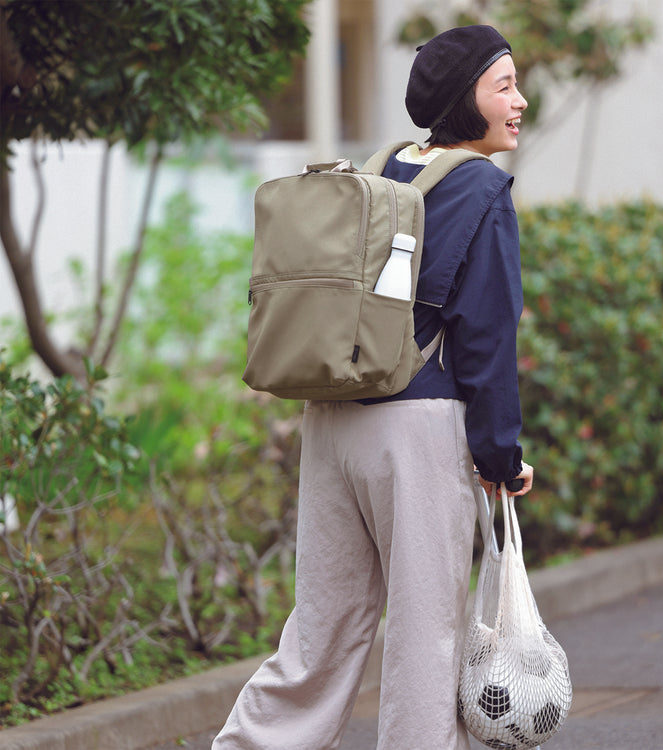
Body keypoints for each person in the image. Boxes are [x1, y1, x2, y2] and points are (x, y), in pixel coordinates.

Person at [213, 24, 532, 750]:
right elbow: (485, 342)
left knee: (322, 626)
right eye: (503, 85)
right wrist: (501, 457)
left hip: (333, 421)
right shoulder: (482, 188)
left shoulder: (384, 163)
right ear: (465, 98)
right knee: (426, 636)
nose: (520, 100)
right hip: (413, 430)